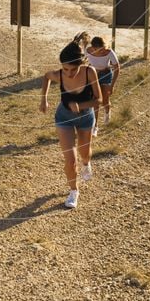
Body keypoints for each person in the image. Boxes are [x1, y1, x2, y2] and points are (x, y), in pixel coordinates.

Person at [40, 41, 101, 209]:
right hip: (64, 117)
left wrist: (80, 106)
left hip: (86, 117)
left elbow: (99, 100)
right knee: (70, 160)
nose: (69, 73)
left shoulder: (90, 72)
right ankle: (74, 191)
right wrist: (43, 98)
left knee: (84, 153)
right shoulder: (59, 75)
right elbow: (46, 76)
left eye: (73, 69)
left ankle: (87, 163)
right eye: (65, 69)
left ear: (81, 65)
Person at [84, 36, 120, 135]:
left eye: (104, 48)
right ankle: (95, 127)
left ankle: (107, 112)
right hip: (93, 75)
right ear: (94, 48)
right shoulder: (87, 50)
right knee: (95, 101)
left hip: (106, 74)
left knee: (105, 100)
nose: (103, 51)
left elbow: (117, 68)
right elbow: (82, 62)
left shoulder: (109, 52)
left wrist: (112, 86)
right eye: (101, 50)